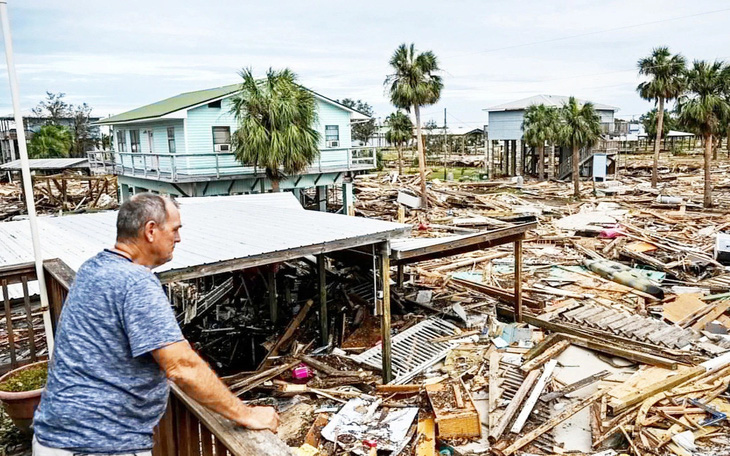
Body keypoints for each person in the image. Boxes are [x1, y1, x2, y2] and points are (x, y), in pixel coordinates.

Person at [33, 193, 279, 455]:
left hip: (55, 436)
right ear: (151, 230)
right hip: (99, 444)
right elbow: (181, 365)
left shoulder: (92, 268)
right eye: (174, 229)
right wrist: (247, 414)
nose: (178, 238)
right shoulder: (136, 282)